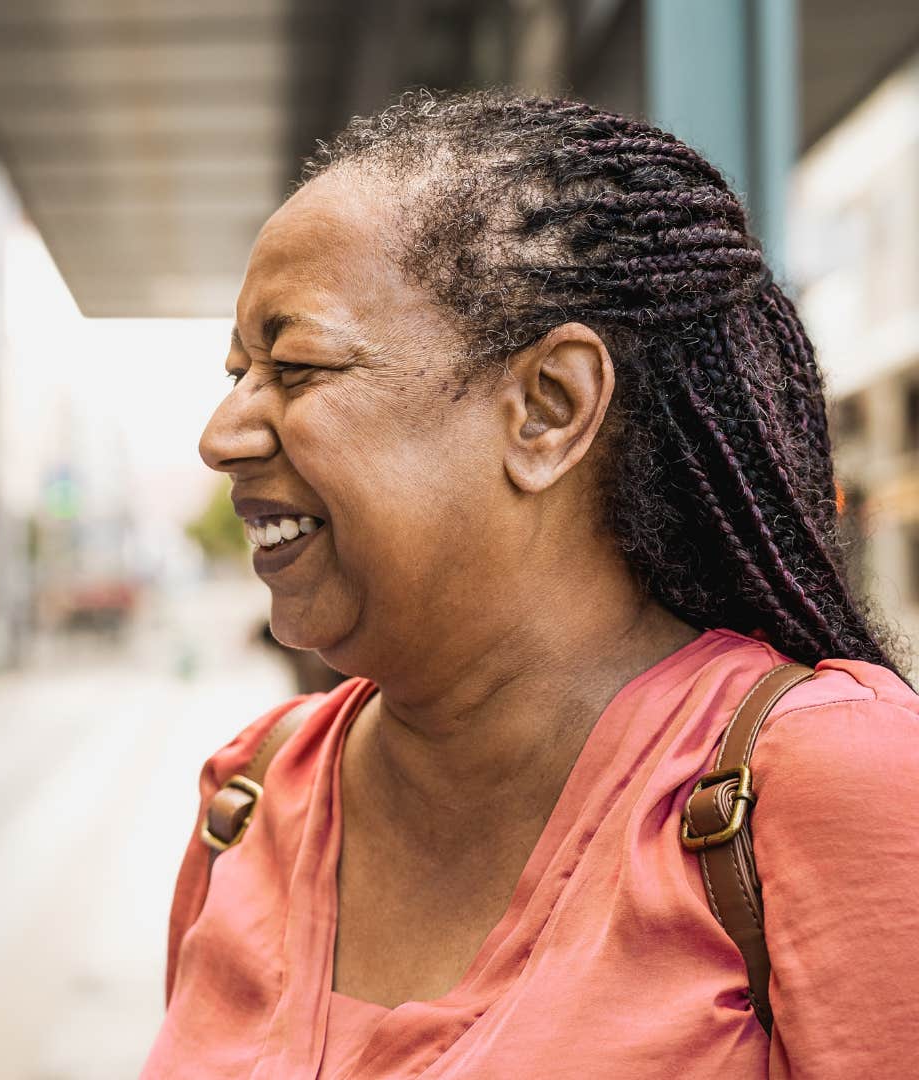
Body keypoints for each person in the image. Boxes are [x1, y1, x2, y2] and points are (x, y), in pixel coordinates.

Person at [148, 92, 919, 1077]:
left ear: (547, 408)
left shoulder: (826, 784)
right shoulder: (250, 797)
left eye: (294, 367)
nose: (223, 436)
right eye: (236, 372)